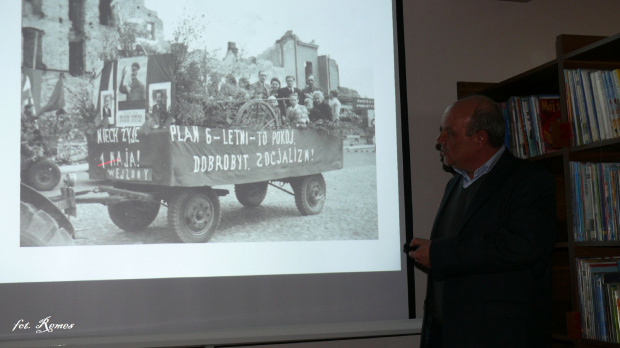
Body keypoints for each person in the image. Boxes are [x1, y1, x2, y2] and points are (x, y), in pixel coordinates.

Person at [407, 95, 557, 348]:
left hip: (497, 337)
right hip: (447, 335)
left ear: (480, 138)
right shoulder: (454, 184)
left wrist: (439, 254)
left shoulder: (529, 181)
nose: (439, 140)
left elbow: (519, 247)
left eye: (449, 133)